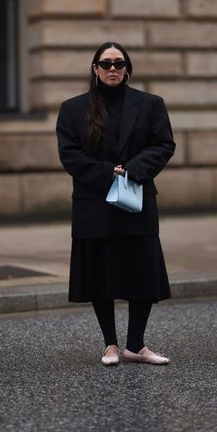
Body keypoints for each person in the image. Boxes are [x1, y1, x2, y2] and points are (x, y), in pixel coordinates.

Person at [56, 42, 176, 366]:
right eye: (105, 63)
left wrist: (132, 170)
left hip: (136, 199)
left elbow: (164, 144)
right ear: (95, 68)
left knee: (142, 272)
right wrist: (110, 173)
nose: (112, 69)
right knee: (100, 273)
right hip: (93, 202)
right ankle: (110, 344)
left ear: (127, 69)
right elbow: (69, 154)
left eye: (118, 63)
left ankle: (135, 345)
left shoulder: (151, 104)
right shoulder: (72, 108)